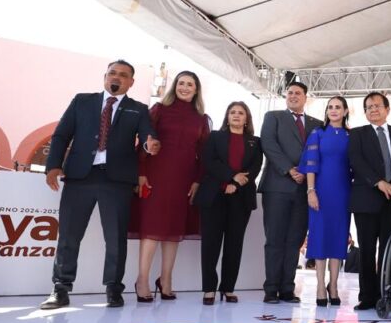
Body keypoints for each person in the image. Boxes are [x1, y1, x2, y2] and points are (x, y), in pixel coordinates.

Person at [39, 60, 160, 310]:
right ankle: (60, 288)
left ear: (131, 82)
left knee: (116, 238)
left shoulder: (138, 109)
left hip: (117, 181)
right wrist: (53, 165)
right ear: (105, 76)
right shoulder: (82, 101)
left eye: (123, 75)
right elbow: (62, 134)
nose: (116, 77)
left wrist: (150, 145)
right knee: (69, 236)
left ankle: (114, 289)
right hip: (79, 177)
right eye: (112, 73)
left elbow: (147, 136)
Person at [130, 71, 210, 302]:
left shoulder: (202, 119)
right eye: (181, 83)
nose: (184, 87)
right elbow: (144, 142)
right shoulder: (158, 110)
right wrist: (141, 173)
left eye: (190, 84)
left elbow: (204, 154)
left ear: (196, 90)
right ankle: (142, 280)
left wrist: (197, 180)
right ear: (175, 86)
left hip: (184, 179)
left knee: (174, 231)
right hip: (156, 175)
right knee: (152, 227)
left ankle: (166, 279)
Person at [258, 80, 322, 304]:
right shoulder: (273, 117)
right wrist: (289, 169)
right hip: (278, 186)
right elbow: (268, 144)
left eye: (298, 93)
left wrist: (306, 174)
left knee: (295, 240)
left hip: (305, 189)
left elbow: (319, 152)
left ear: (306, 97)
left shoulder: (317, 124)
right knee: (275, 239)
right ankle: (271, 289)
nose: (293, 96)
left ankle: (287, 289)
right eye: (290, 93)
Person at [195, 101, 262, 305]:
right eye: (232, 112)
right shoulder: (215, 137)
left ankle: (228, 288)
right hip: (214, 196)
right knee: (211, 244)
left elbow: (255, 167)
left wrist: (236, 183)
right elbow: (209, 162)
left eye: (241, 112)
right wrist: (231, 177)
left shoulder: (255, 141)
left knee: (234, 245)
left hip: (241, 198)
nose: (236, 115)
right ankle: (209, 289)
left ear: (246, 118)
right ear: (227, 116)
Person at [348, 91, 391, 310]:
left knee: (388, 250)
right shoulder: (357, 134)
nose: (373, 109)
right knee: (366, 249)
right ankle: (367, 296)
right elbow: (356, 160)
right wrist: (378, 182)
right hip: (366, 199)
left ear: (387, 109)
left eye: (377, 105)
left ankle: (386, 294)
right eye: (369, 107)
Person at [299, 96, 352, 307]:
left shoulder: (351, 135)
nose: (333, 110)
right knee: (320, 236)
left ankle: (334, 286)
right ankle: (321, 286)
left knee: (339, 237)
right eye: (330, 107)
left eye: (338, 107)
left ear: (346, 111)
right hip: (320, 191)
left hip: (344, 193)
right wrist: (311, 190)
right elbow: (311, 164)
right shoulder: (318, 133)